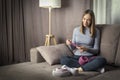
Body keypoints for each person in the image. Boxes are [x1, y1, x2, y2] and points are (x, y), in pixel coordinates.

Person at [60, 9, 107, 75]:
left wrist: (86, 49)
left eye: (88, 20)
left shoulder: (96, 31)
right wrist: (69, 44)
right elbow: (73, 49)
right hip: (77, 57)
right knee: (63, 59)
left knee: (102, 60)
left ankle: (79, 69)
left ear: (91, 21)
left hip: (90, 58)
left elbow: (96, 50)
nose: (85, 21)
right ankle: (93, 68)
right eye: (84, 19)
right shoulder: (76, 30)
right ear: (82, 19)